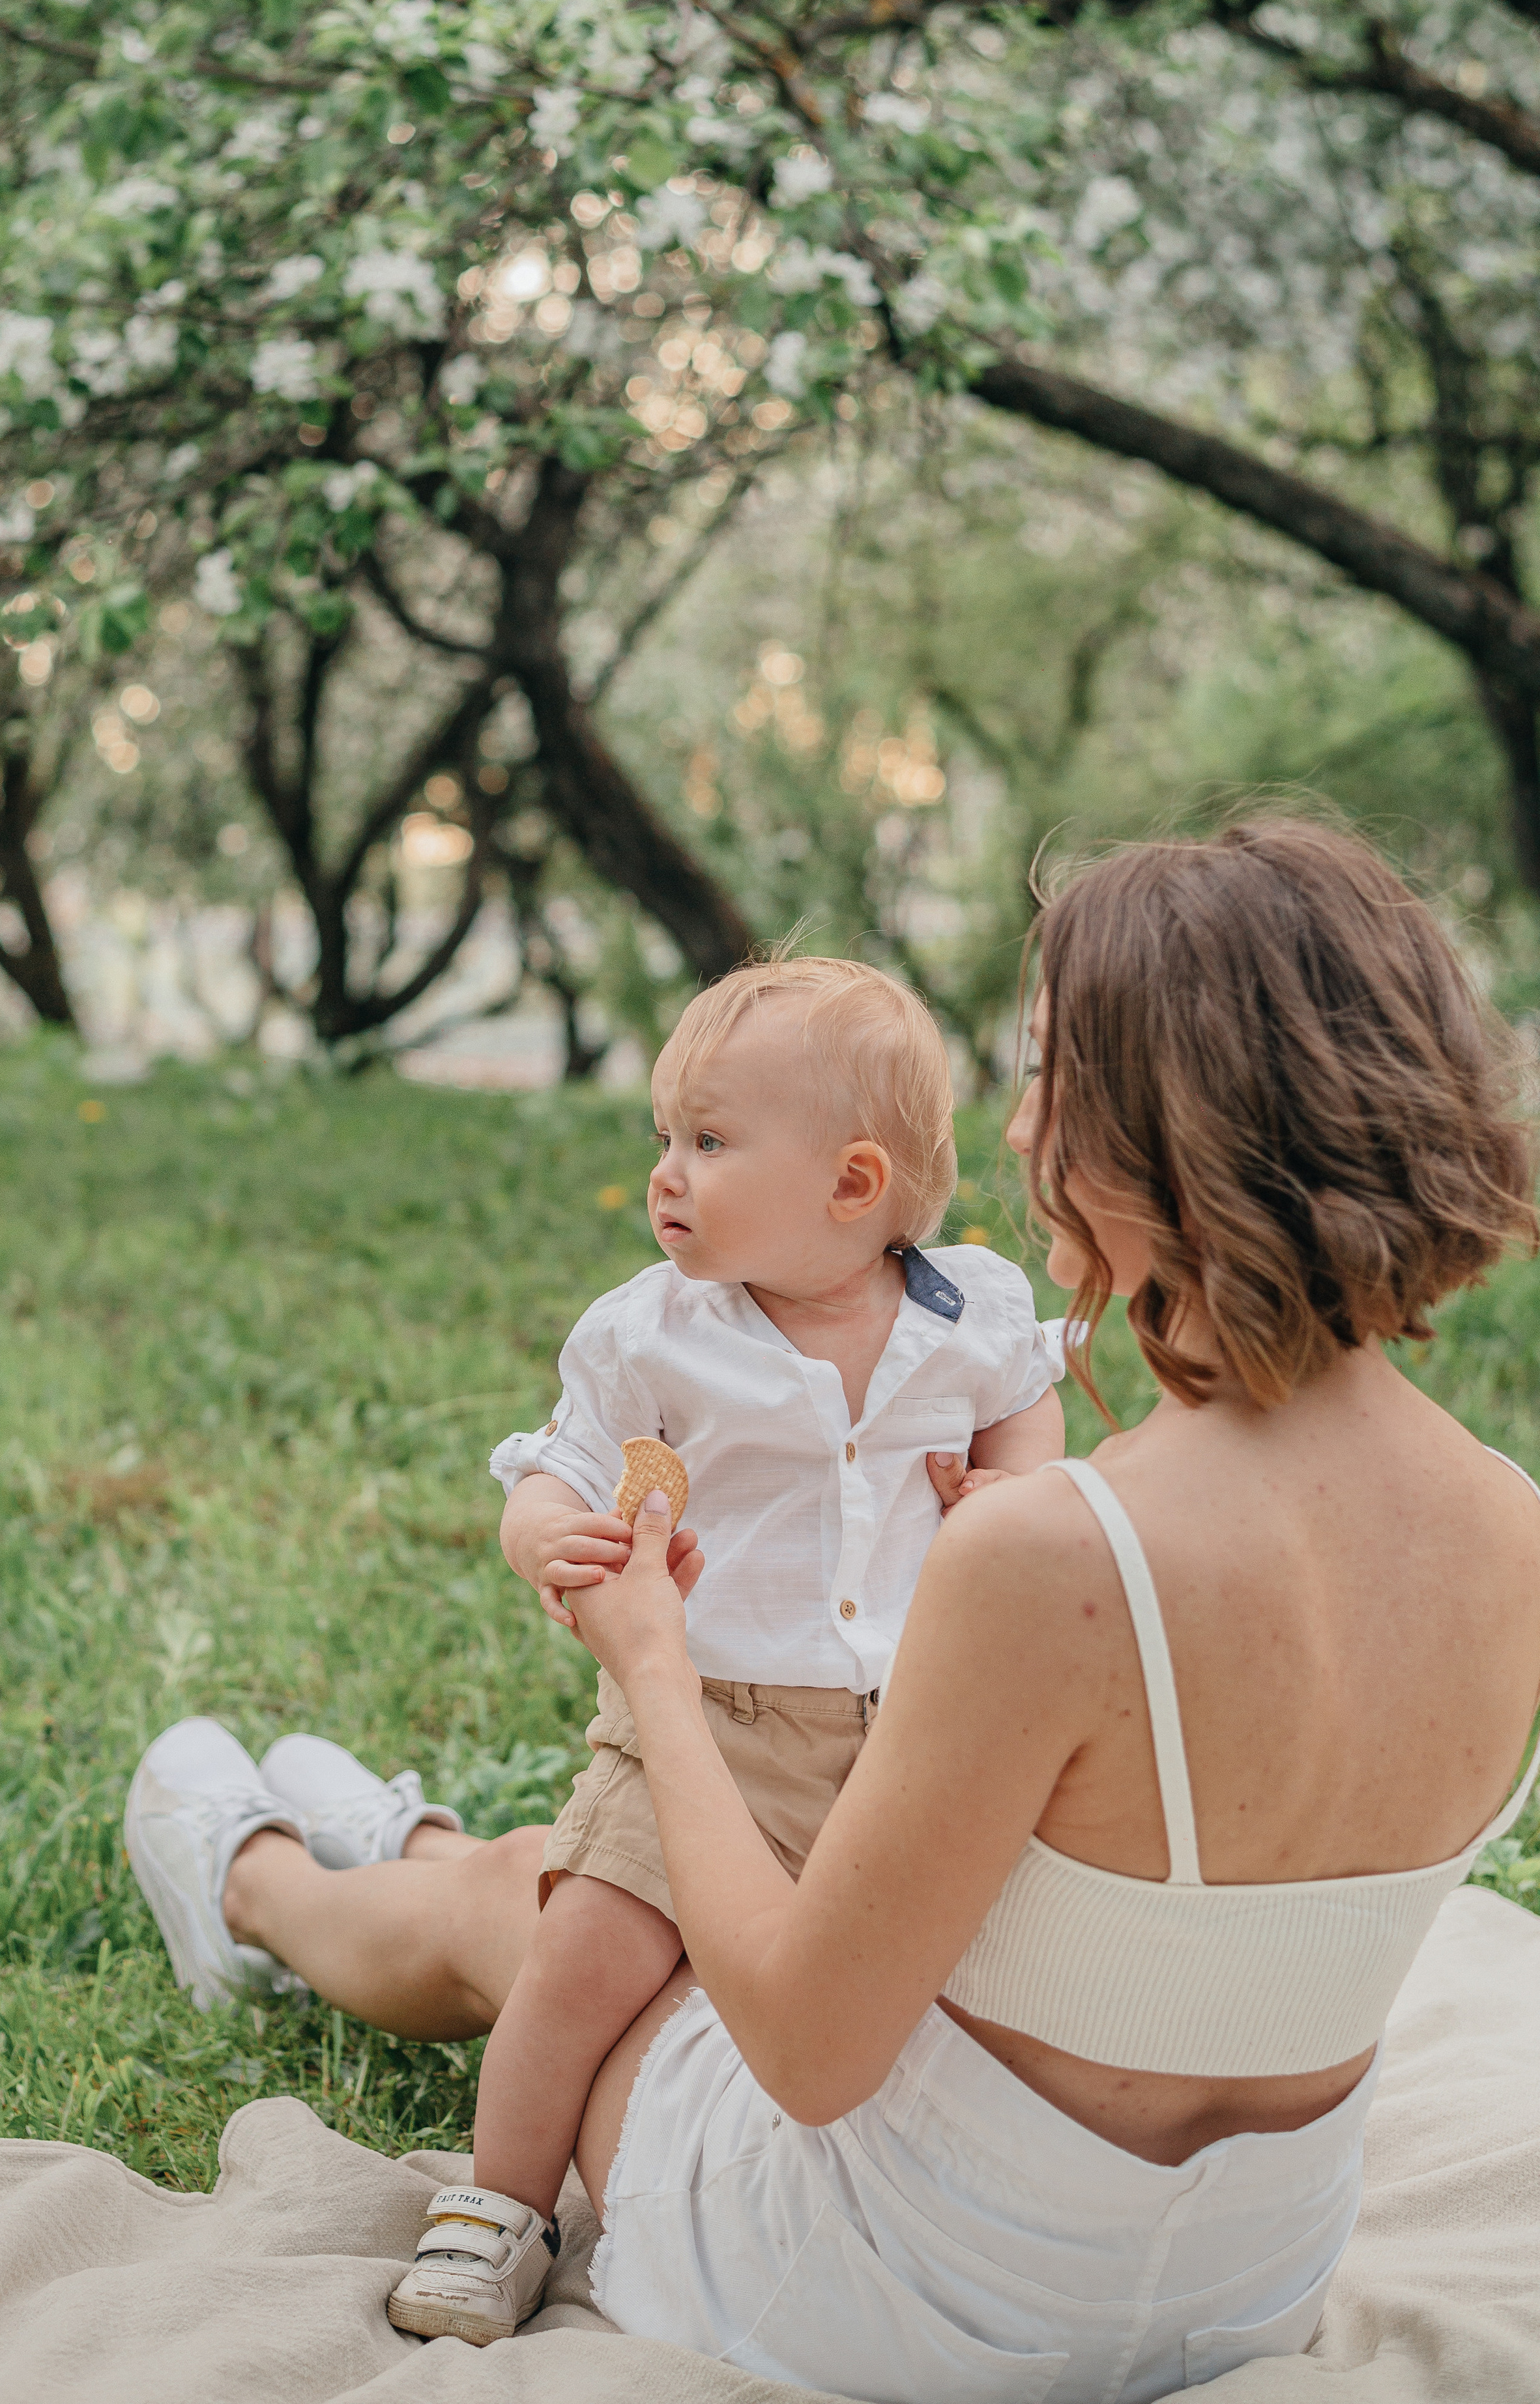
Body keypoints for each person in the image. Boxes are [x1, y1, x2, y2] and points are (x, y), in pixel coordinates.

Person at [128, 820, 1540, 2403]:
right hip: (1241, 2290)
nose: (1008, 1129)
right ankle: (377, 1843)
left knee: (545, 1905)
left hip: (904, 2303)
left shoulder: (1060, 1554)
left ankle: (247, 1876)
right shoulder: (1513, 1525)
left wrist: (655, 1670)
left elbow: (805, 2053)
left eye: (1046, 1078)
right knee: (571, 1889)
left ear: (1155, 1133)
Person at [128, 953, 1066, 2343]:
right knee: (581, 1960)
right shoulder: (653, 1332)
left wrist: (1015, 1489)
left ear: (851, 1187)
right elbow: (551, 1469)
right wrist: (542, 1541)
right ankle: (495, 2208)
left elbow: (1024, 1406)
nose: (665, 1176)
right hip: (707, 1720)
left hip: (895, 1738)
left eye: (707, 1142)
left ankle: (384, 1850)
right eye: (662, 1138)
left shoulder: (966, 1311)